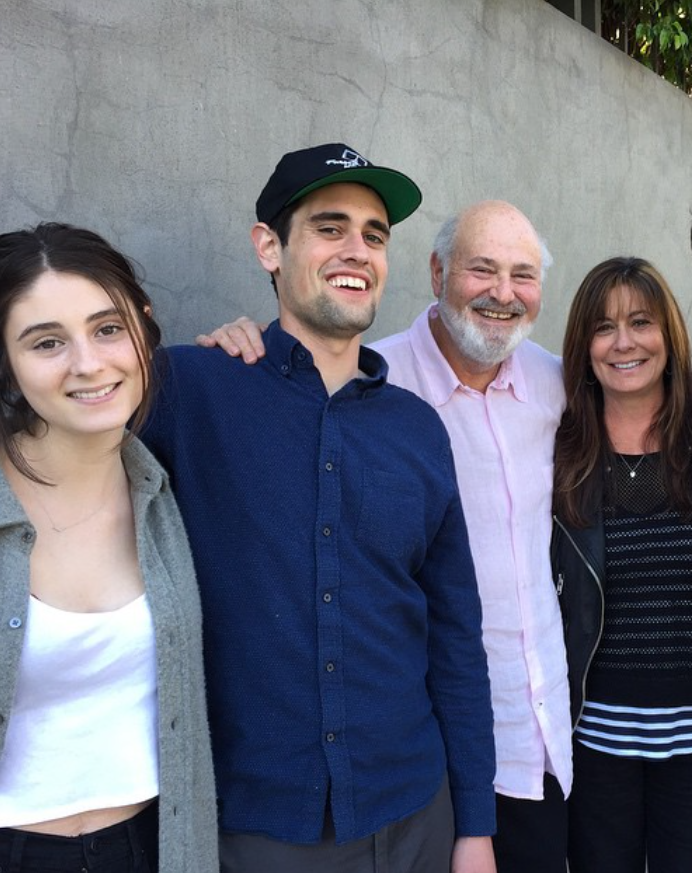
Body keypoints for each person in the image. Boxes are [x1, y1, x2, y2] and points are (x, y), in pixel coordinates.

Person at [199, 200, 692, 873]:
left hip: (547, 737)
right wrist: (244, 347)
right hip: (433, 748)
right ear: (436, 272)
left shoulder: (558, 385)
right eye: (482, 269)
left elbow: (637, 383)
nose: (502, 292)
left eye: (522, 274)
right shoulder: (375, 382)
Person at [139, 143, 498, 873]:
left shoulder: (417, 427)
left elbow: (456, 636)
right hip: (262, 829)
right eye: (330, 227)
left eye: (373, 234)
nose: (357, 249)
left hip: (416, 817)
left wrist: (475, 826)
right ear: (269, 246)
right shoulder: (192, 390)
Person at [0, 223, 218, 873]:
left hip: (154, 845)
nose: (89, 362)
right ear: (3, 360)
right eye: (47, 341)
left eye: (108, 328)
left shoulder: (165, 495)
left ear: (144, 329)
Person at [551, 257, 692, 873]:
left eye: (641, 322)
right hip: (593, 748)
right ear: (583, 345)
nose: (624, 342)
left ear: (668, 333)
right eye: (603, 327)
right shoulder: (556, 447)